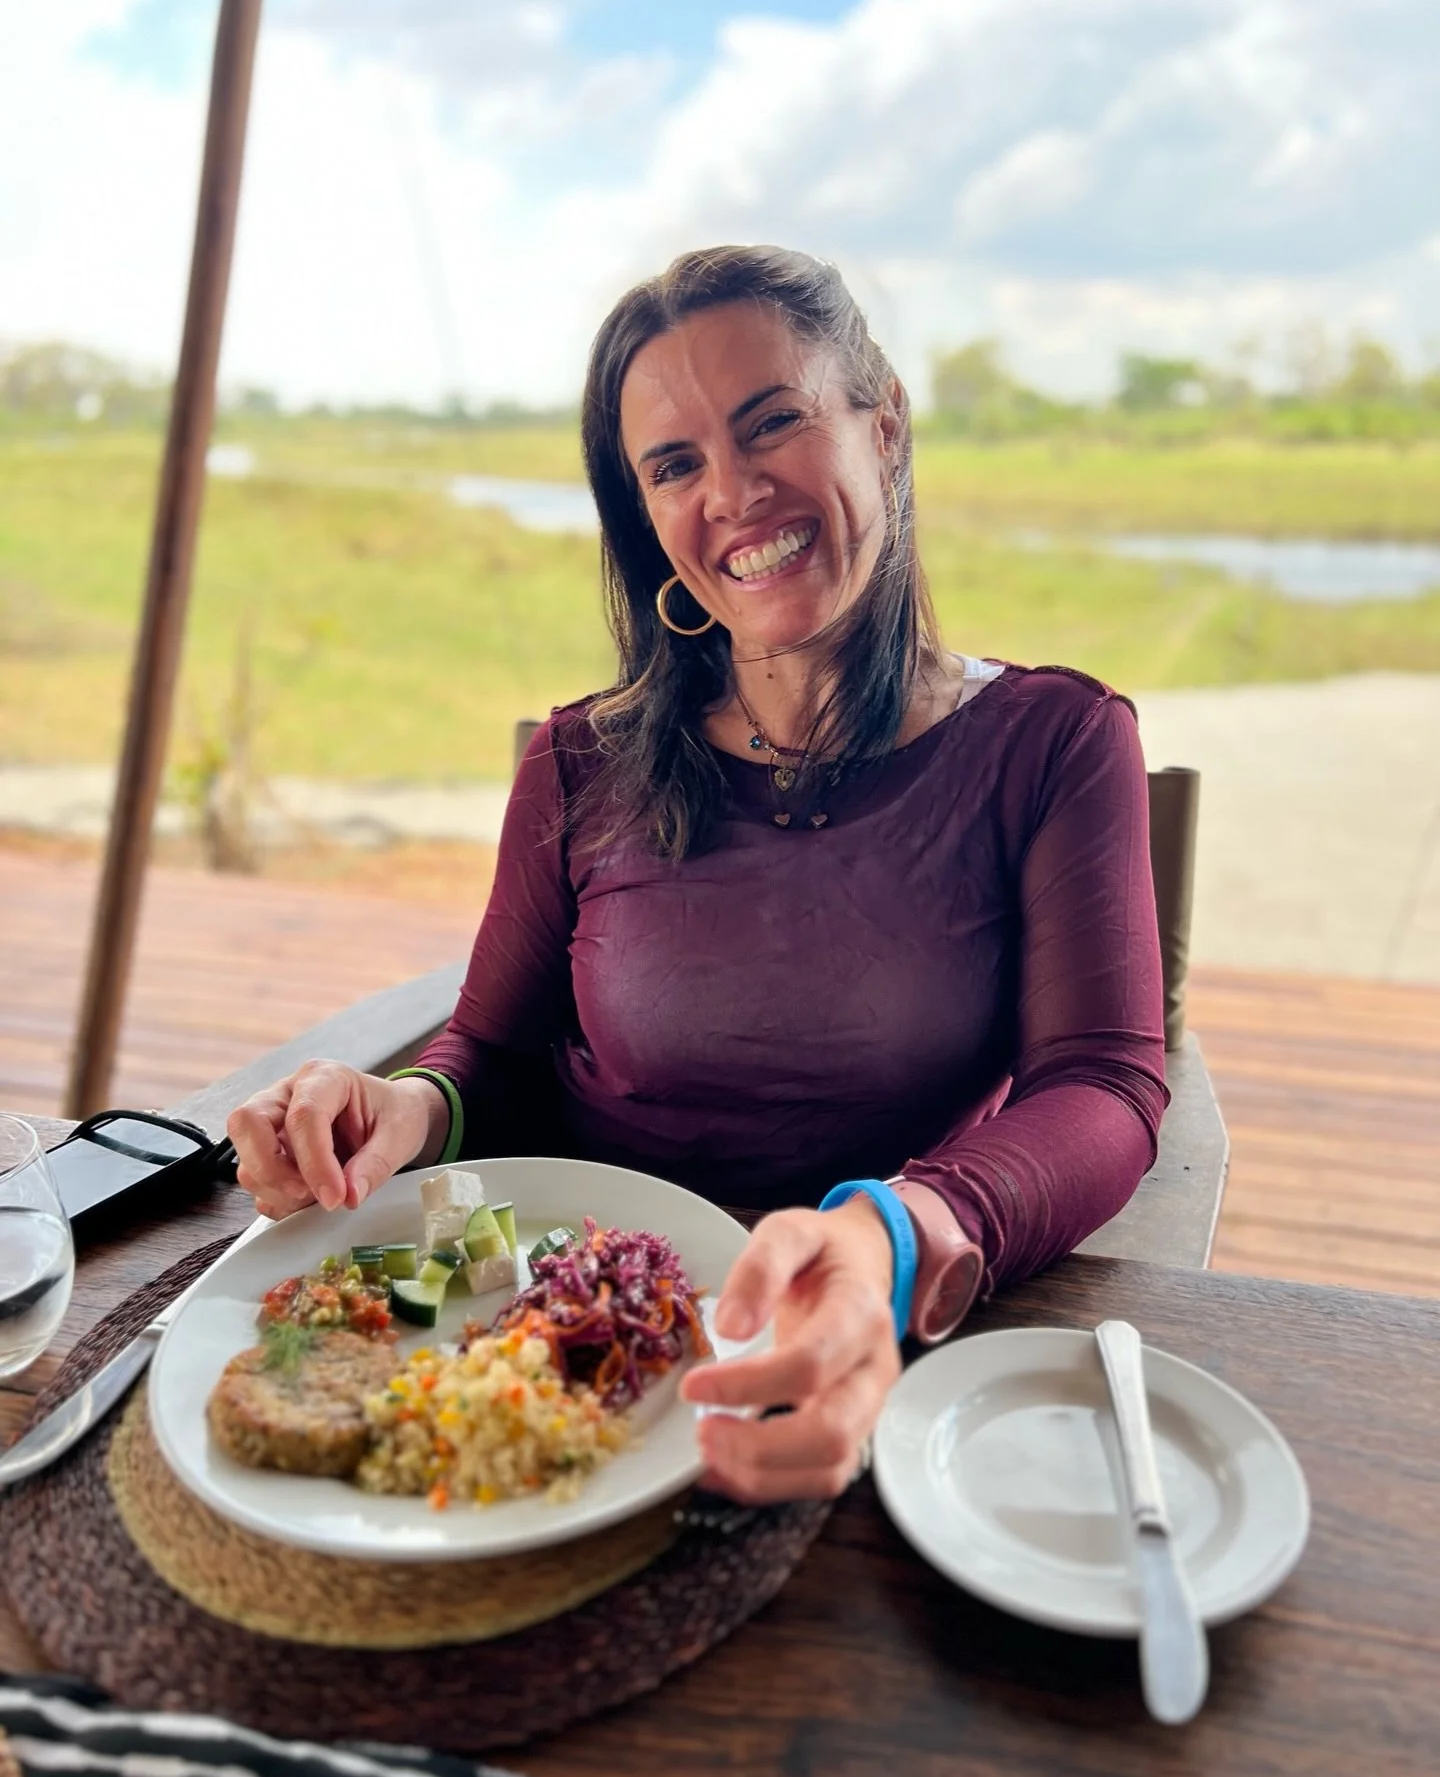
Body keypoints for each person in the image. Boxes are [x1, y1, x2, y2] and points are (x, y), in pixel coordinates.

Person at [227, 245, 1167, 1505]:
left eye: (772, 423)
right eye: (674, 465)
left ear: (882, 427)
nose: (733, 493)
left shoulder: (1055, 742)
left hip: (848, 1339)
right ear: (647, 515)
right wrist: (403, 1109)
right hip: (547, 1328)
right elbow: (489, 1055)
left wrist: (898, 1230)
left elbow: (1104, 1083)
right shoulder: (577, 761)